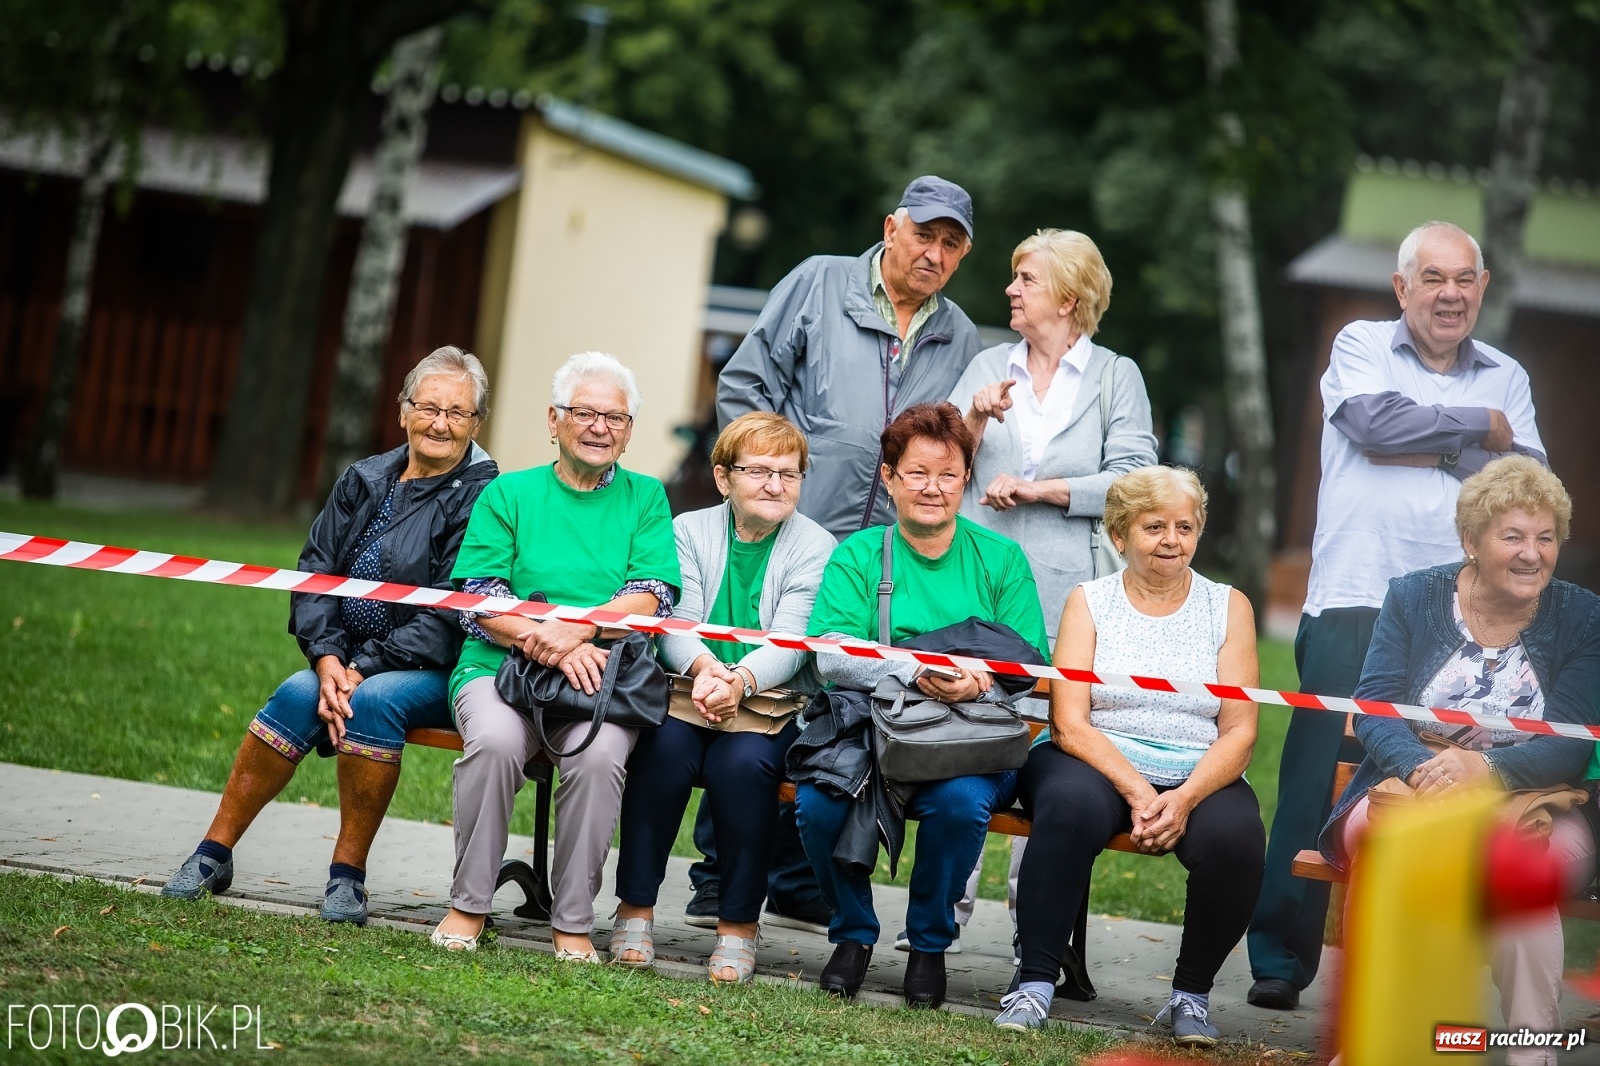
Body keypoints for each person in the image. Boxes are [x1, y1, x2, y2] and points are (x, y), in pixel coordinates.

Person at [1246, 220, 1546, 1011]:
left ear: (1482, 287)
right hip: (1354, 593)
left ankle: (1428, 966)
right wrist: (1474, 432)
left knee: (1453, 776)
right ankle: (1280, 959)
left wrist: (1432, 440)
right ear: (1402, 287)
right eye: (1434, 278)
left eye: (1464, 280)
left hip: (1465, 618)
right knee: (1315, 776)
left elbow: (1523, 485)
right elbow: (1371, 427)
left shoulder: (1508, 375)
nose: (1450, 294)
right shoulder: (1360, 346)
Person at [704, 176, 986, 933]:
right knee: (758, 680)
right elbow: (746, 383)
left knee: (830, 698)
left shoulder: (960, 333)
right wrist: (763, 481)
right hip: (793, 524)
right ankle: (717, 873)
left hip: (879, 550)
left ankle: (795, 875)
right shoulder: (819, 282)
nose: (933, 253)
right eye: (923, 234)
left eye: (950, 243)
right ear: (891, 227)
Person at [162, 347, 498, 923]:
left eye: (458, 413)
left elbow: (446, 615)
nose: (441, 423)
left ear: (475, 423)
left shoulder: (482, 496)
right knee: (295, 693)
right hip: (343, 663)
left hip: (436, 667)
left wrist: (359, 669)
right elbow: (313, 574)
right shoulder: (364, 479)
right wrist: (326, 660)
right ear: (403, 411)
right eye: (429, 407)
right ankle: (213, 853)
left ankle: (348, 875)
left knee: (371, 703)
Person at [1320, 457, 1600, 1066]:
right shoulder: (1413, 597)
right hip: (1413, 779)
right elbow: (1374, 709)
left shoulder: (1582, 616)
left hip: (1534, 797)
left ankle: (1531, 1051)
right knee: (1393, 842)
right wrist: (1424, 771)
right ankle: (1376, 1044)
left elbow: (1574, 741)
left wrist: (1486, 772)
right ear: (1471, 541)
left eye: (1545, 537)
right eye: (1513, 536)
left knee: (1521, 874)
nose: (1532, 554)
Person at [943, 228, 1158, 962]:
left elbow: (1136, 481)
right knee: (968, 739)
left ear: (1068, 297)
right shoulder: (984, 364)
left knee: (1050, 744)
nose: (1010, 289)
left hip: (1071, 592)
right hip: (977, 585)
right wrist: (971, 418)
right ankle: (943, 919)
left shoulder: (1113, 375)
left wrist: (1042, 489)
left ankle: (1037, 930)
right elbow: (936, 465)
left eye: (1025, 278)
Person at [791, 402, 1049, 1009]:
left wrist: (978, 684)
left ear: (966, 479)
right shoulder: (858, 555)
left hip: (972, 733)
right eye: (916, 473)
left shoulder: (1001, 560)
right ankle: (853, 932)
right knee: (817, 804)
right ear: (888, 478)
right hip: (870, 729)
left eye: (948, 474)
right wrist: (919, 668)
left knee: (958, 805)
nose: (933, 488)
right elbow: (830, 658)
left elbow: (1030, 667)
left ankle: (930, 943)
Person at [1000, 466, 1264, 1047]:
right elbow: (1069, 722)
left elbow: (1240, 731)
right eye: (1154, 527)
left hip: (1197, 766)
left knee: (1236, 838)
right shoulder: (1089, 600)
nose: (1171, 539)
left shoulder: (1229, 606)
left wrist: (1185, 797)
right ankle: (1036, 982)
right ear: (1119, 535)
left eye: (1184, 527)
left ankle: (1191, 997)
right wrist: (1142, 793)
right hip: (1092, 756)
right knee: (1066, 809)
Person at [430, 352, 680, 960]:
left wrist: (578, 637)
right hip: (500, 665)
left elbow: (652, 592)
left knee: (597, 761)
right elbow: (477, 597)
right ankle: (468, 905)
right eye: (585, 413)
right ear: (553, 419)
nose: (600, 427)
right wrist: (548, 638)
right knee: (493, 743)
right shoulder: (508, 493)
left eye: (615, 418)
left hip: (603, 676)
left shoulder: (646, 498)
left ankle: (571, 920)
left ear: (629, 430)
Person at [610, 413, 836, 983]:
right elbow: (674, 620)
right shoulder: (687, 529)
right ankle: (634, 908)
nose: (775, 484)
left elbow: (793, 639)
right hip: (689, 687)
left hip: (771, 701)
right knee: (659, 754)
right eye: (758, 471)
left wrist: (738, 682)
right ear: (722, 478)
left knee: (744, 769)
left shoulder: (817, 545)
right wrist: (710, 669)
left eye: (789, 473)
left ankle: (738, 925)